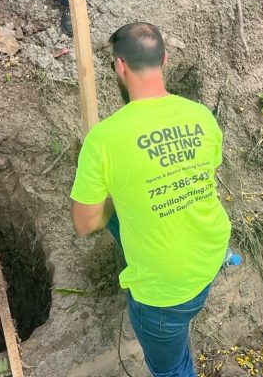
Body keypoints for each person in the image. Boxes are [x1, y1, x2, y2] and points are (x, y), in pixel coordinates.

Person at [70, 23, 231, 377]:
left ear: (119, 66)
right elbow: (203, 176)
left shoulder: (103, 139)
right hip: (211, 255)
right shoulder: (200, 116)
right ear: (165, 60)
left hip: (163, 293)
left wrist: (119, 195)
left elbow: (84, 223)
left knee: (171, 369)